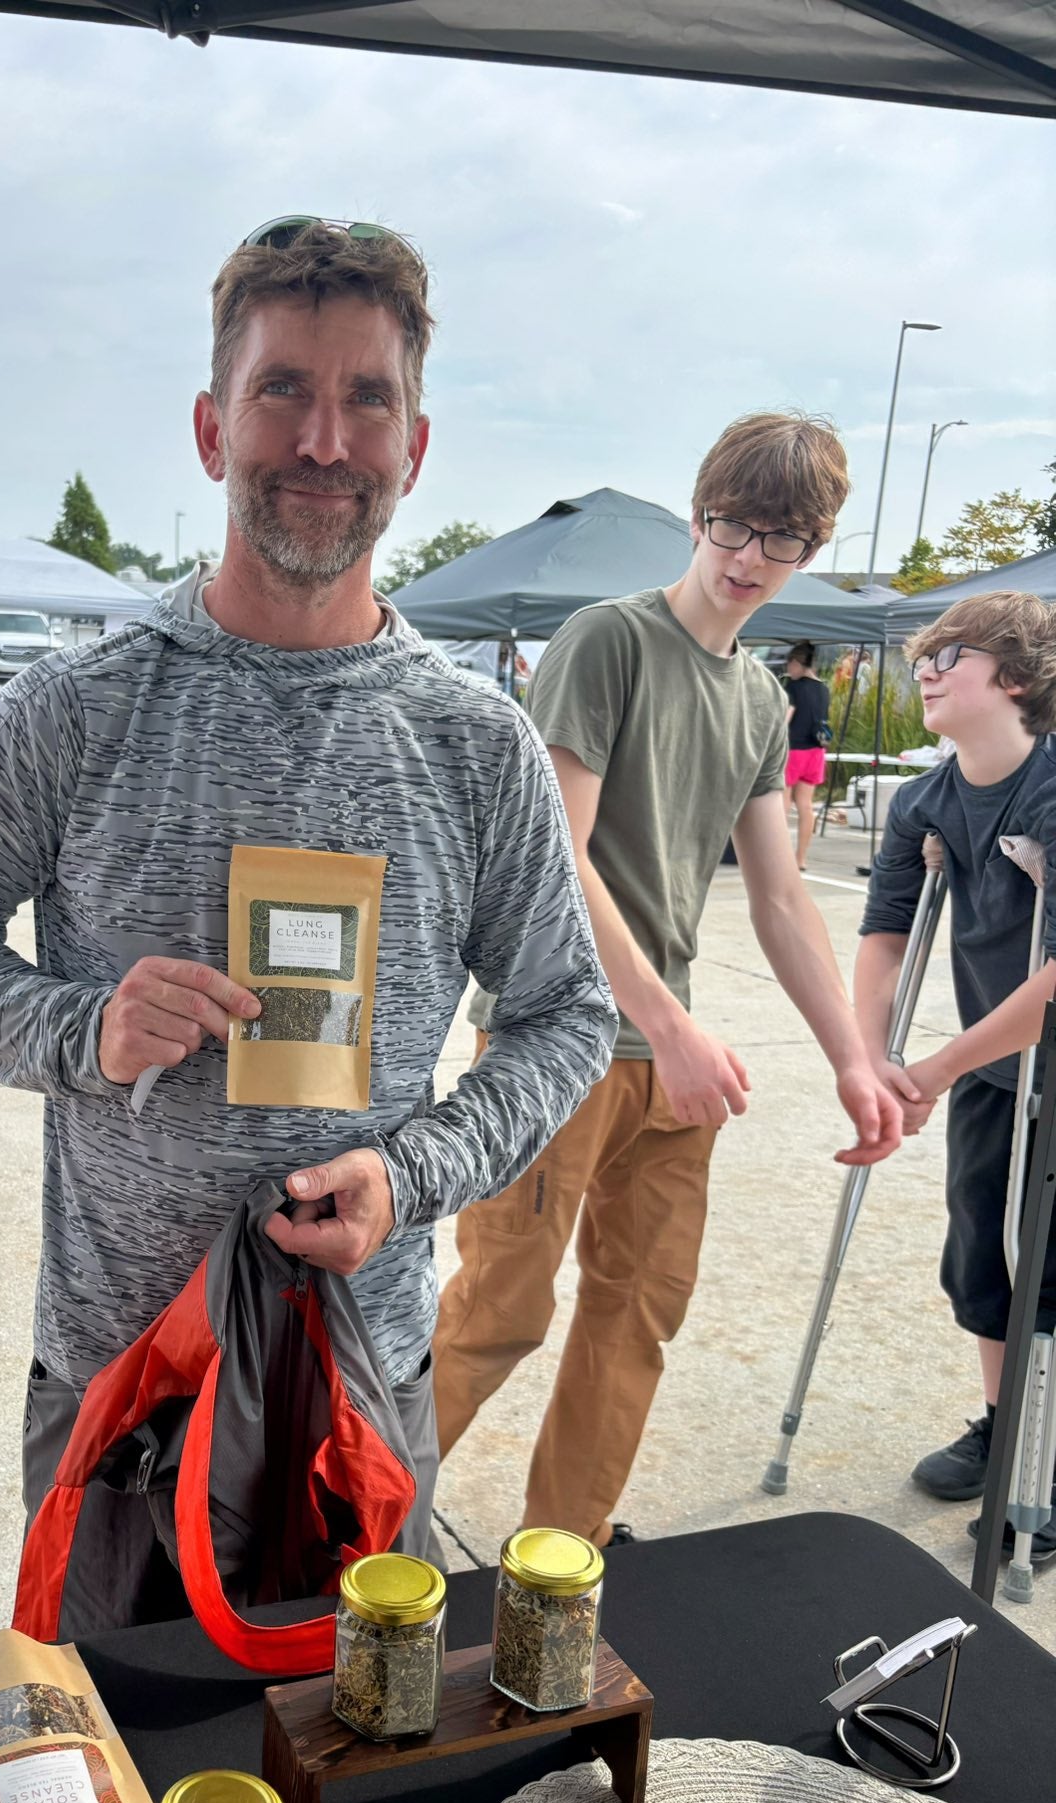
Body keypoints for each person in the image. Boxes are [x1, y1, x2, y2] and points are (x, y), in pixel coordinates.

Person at [0, 218, 616, 1632]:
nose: (324, 439)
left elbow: (569, 1015)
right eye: (283, 391)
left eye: (366, 399)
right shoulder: (78, 707)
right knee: (119, 1800)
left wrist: (416, 1173)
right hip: (119, 1389)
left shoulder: (475, 743)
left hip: (360, 1387)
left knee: (347, 1781)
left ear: (415, 447)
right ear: (214, 430)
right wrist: (80, 1027)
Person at [432, 412, 906, 1550]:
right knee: (499, 1309)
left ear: (812, 547)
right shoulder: (610, 640)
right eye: (731, 524)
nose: (747, 556)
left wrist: (854, 1056)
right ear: (698, 515)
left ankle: (562, 1558)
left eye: (780, 537)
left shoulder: (759, 699)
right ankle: (333, 1523)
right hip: (557, 1039)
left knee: (636, 1316)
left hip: (669, 1064)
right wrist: (669, 1028)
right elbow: (563, 859)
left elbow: (784, 898)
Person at [857, 592, 1056, 1561]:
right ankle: (1003, 1423)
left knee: (1049, 1269)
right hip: (992, 1070)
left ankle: (1046, 1463)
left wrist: (935, 1062)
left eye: (952, 654)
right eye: (924, 656)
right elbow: (885, 932)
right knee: (985, 1255)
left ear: (1014, 677)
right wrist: (873, 1058)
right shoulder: (925, 800)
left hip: (1039, 1060)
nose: (927, 669)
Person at [782, 640, 831, 870]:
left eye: (789, 664)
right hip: (816, 752)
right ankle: (800, 858)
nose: (788, 670)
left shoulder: (792, 687)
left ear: (797, 663)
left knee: (781, 806)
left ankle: (778, 857)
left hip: (793, 751)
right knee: (805, 806)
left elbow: (786, 718)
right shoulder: (823, 689)